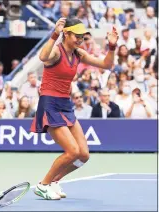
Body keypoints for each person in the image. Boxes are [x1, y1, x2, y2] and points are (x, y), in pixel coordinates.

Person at [30, 17, 119, 200]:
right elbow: (43, 57)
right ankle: (43, 185)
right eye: (76, 35)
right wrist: (54, 34)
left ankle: (55, 181)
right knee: (72, 151)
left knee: (83, 155)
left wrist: (111, 47)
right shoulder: (56, 51)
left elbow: (107, 65)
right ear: (66, 33)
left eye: (82, 36)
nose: (80, 39)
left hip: (65, 104)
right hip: (50, 103)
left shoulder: (78, 54)